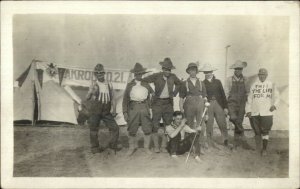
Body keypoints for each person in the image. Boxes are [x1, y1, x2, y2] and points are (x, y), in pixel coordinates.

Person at [143, 57, 182, 153]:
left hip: (168, 103)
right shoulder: (157, 76)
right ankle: (156, 146)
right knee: (155, 125)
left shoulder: (173, 77)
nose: (167, 71)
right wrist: (151, 91)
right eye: (166, 69)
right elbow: (144, 81)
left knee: (168, 125)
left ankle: (164, 146)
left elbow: (179, 84)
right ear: (162, 69)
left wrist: (174, 93)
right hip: (157, 103)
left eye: (169, 69)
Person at [86, 64, 121, 154]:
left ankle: (112, 147)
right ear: (95, 75)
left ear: (104, 73)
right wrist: (90, 92)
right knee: (93, 129)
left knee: (115, 128)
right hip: (95, 110)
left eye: (101, 73)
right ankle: (95, 148)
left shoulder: (109, 84)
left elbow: (113, 98)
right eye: (97, 73)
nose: (99, 74)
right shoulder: (93, 84)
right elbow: (87, 98)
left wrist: (114, 110)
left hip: (106, 111)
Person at [245, 68, 280, 156]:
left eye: (264, 75)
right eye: (260, 75)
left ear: (266, 75)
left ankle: (264, 149)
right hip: (255, 112)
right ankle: (258, 149)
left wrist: (274, 105)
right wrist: (248, 110)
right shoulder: (254, 85)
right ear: (258, 75)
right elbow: (249, 99)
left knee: (265, 131)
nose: (262, 76)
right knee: (257, 131)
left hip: (267, 112)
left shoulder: (271, 84)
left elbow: (277, 97)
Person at [122, 63, 154, 156]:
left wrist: (150, 107)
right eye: (137, 74)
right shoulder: (130, 85)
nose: (138, 75)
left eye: (140, 73)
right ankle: (131, 148)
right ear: (134, 74)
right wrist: (125, 112)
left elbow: (153, 94)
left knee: (147, 128)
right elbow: (125, 100)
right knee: (132, 128)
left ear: (142, 74)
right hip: (133, 107)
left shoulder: (146, 84)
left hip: (144, 107)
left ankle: (146, 148)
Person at [225, 60, 254, 150]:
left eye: (240, 69)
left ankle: (235, 145)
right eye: (237, 69)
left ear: (242, 69)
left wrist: (248, 105)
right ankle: (244, 139)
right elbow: (226, 93)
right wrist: (225, 106)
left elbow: (248, 92)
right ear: (234, 69)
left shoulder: (246, 79)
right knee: (233, 118)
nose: (238, 70)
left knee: (239, 122)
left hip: (242, 103)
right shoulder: (229, 80)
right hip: (232, 103)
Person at [179, 62, 207, 151]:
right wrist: (181, 109)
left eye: (194, 70)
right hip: (189, 104)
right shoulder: (184, 83)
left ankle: (200, 145)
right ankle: (189, 145)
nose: (193, 72)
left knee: (200, 124)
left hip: (200, 103)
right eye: (191, 70)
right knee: (189, 125)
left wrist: (205, 106)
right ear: (188, 72)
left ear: (196, 71)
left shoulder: (201, 83)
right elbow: (181, 98)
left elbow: (205, 96)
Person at [201, 63, 229, 149]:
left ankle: (225, 139)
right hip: (208, 105)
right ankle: (210, 141)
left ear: (212, 72)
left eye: (209, 72)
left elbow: (223, 94)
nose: (207, 74)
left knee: (222, 122)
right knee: (209, 123)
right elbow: (202, 96)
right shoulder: (202, 83)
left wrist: (225, 107)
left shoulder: (218, 82)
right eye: (205, 72)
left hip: (218, 103)